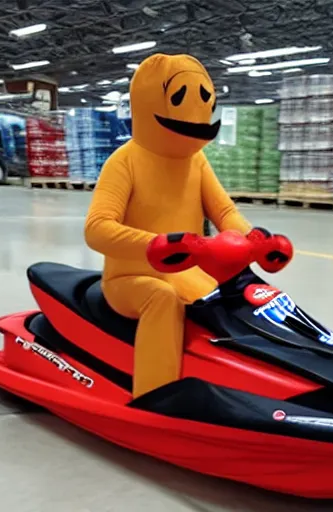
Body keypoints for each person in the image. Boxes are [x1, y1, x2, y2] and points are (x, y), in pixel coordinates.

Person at [84, 53, 251, 398]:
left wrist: (255, 240)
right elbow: (97, 228)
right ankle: (154, 395)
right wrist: (153, 244)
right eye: (179, 98)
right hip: (130, 280)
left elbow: (224, 211)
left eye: (204, 99)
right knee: (162, 300)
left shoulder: (196, 161)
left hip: (189, 272)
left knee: (240, 291)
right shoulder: (125, 161)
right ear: (150, 103)